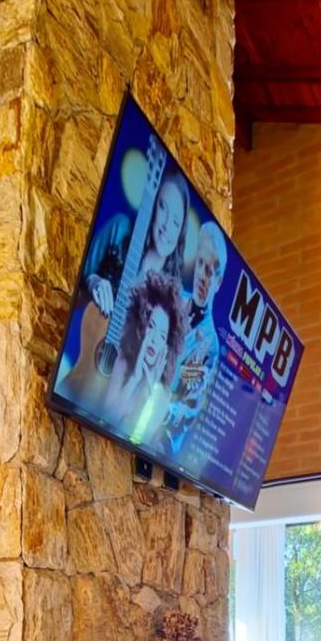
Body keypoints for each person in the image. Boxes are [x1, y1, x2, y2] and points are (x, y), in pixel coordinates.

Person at [155, 220, 228, 460]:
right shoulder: (172, 300)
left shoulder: (210, 345)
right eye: (200, 264)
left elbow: (189, 408)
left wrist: (163, 411)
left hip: (159, 441)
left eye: (210, 271)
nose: (202, 277)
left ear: (218, 282)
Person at [82, 166, 190, 321]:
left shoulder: (173, 294)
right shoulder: (120, 228)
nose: (167, 226)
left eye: (175, 222)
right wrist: (93, 281)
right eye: (163, 207)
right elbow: (78, 271)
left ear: (181, 231)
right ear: (153, 205)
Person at [103, 270, 188, 436]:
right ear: (141, 325)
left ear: (167, 346)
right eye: (151, 326)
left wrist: (149, 391)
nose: (154, 339)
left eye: (162, 336)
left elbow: (138, 437)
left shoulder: (163, 395)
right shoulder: (123, 360)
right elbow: (105, 418)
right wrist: (134, 379)